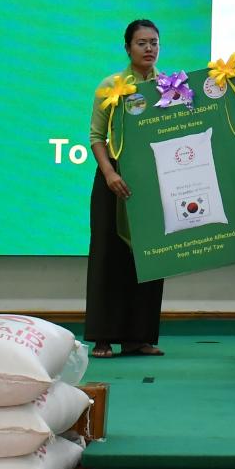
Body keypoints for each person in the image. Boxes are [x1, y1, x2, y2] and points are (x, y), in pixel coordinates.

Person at [85, 18, 166, 359]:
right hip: (114, 178)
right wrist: (109, 174)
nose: (149, 49)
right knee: (109, 255)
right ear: (127, 48)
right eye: (141, 43)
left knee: (150, 256)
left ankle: (139, 337)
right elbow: (96, 137)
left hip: (154, 177)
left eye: (154, 43)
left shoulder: (170, 86)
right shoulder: (111, 85)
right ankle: (103, 337)